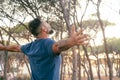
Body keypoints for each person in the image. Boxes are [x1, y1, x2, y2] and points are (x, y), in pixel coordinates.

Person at [0, 17, 89, 80]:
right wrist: (70, 42)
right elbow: (57, 46)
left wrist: (3, 47)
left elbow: (16, 48)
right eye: (46, 23)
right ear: (44, 28)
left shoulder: (30, 47)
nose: (48, 24)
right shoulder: (48, 43)